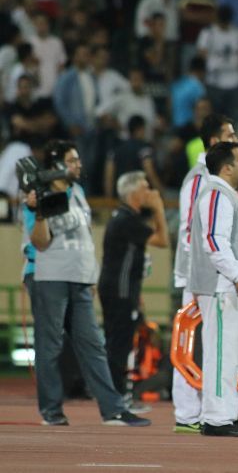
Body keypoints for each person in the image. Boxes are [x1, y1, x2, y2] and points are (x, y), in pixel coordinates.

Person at [23, 140, 150, 427]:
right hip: (50, 276)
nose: (78, 165)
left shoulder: (78, 192)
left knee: (93, 344)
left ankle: (113, 409)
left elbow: (85, 237)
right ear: (56, 164)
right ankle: (52, 411)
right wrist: (39, 210)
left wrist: (90, 274)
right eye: (72, 160)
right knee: (50, 347)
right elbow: (39, 242)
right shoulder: (36, 195)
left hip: (79, 278)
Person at [172, 115, 238, 435]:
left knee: (229, 353)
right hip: (220, 285)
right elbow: (213, 242)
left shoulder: (222, 191)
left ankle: (227, 413)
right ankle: (215, 418)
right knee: (219, 352)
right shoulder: (214, 191)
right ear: (227, 167)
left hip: (226, 285)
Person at [98, 171, 169, 410]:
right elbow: (162, 240)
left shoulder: (125, 218)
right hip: (120, 291)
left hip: (120, 290)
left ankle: (118, 399)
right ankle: (116, 402)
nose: (150, 192)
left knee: (120, 344)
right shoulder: (127, 220)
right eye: (145, 187)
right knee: (119, 346)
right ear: (134, 193)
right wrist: (159, 208)